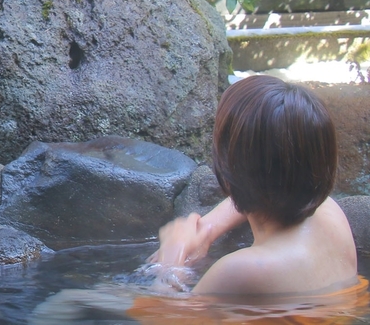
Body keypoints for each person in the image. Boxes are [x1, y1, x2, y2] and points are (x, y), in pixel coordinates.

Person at [149, 74, 359, 296]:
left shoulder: (244, 270)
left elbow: (159, 314)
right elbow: (270, 186)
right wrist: (208, 229)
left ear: (228, 167)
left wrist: (170, 261)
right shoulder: (330, 214)